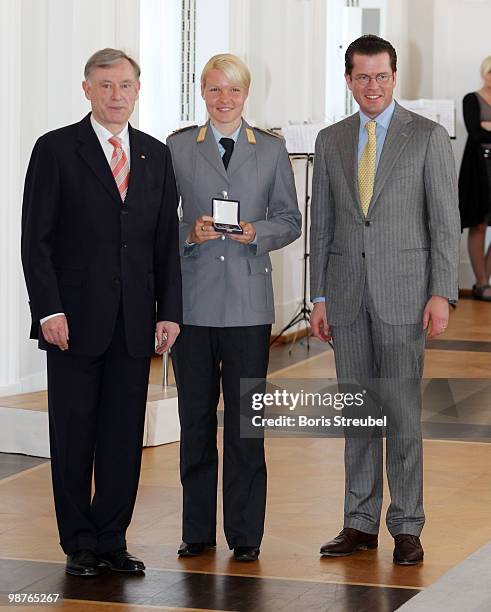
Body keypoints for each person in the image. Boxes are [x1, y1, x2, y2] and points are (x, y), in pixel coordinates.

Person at [21, 48, 182, 577]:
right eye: (106, 86)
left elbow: (165, 246)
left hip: (135, 323)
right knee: (73, 436)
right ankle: (79, 545)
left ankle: (112, 539)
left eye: (126, 86)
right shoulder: (56, 149)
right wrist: (48, 310)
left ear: (139, 90)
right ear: (87, 89)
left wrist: (169, 312)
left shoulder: (157, 156)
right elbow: (36, 241)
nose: (117, 96)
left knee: (120, 437)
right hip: (73, 322)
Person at [309, 35, 460, 565]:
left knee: (399, 413)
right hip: (346, 299)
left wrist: (442, 291)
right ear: (347, 80)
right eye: (362, 77)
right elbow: (322, 224)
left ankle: (407, 525)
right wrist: (319, 296)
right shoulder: (330, 141)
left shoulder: (428, 137)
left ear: (395, 78)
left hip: (405, 296)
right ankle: (360, 522)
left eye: (381, 76)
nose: (372, 86)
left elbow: (445, 223)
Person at [167, 53, 301, 562]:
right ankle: (196, 532)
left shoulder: (270, 150)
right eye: (215, 90)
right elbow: (162, 222)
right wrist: (189, 232)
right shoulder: (178, 147)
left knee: (246, 424)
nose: (224, 100)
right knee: (195, 421)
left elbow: (289, 219)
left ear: (247, 95)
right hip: (194, 305)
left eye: (234, 91)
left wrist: (256, 232)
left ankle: (246, 536)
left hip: (247, 306)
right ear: (202, 92)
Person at [458, 56, 491, 301]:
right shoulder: (471, 99)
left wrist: (487, 125)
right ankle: (481, 283)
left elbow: (484, 130)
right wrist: (482, 127)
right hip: (479, 170)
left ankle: (486, 280)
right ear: (484, 73)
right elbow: (475, 133)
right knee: (479, 223)